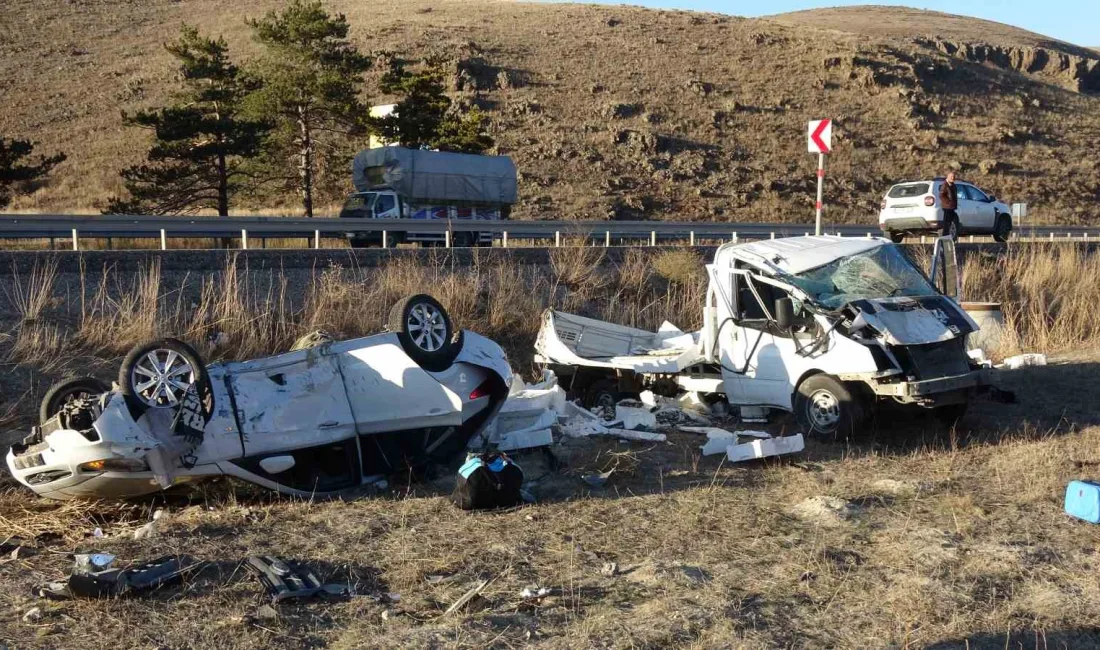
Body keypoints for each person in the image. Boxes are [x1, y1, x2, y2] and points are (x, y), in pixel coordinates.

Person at [939, 172, 959, 238]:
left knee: (952, 222)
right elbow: (942, 195)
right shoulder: (945, 185)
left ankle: (949, 236)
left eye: (954, 177)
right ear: (947, 177)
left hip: (952, 207)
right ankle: (945, 237)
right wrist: (948, 202)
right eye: (951, 177)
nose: (953, 178)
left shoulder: (953, 185)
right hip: (947, 207)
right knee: (946, 223)